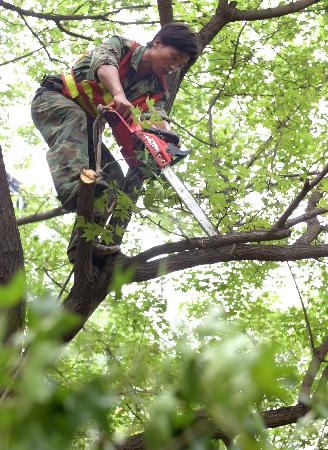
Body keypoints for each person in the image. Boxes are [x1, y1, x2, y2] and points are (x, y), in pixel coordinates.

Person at [31, 22, 198, 263]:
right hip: (53, 100)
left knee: (113, 178)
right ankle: (72, 189)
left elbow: (157, 117)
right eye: (173, 57)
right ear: (158, 42)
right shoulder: (121, 46)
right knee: (75, 118)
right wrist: (119, 94)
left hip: (85, 129)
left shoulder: (155, 90)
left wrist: (165, 141)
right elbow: (103, 64)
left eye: (179, 65)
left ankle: (84, 246)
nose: (173, 67)